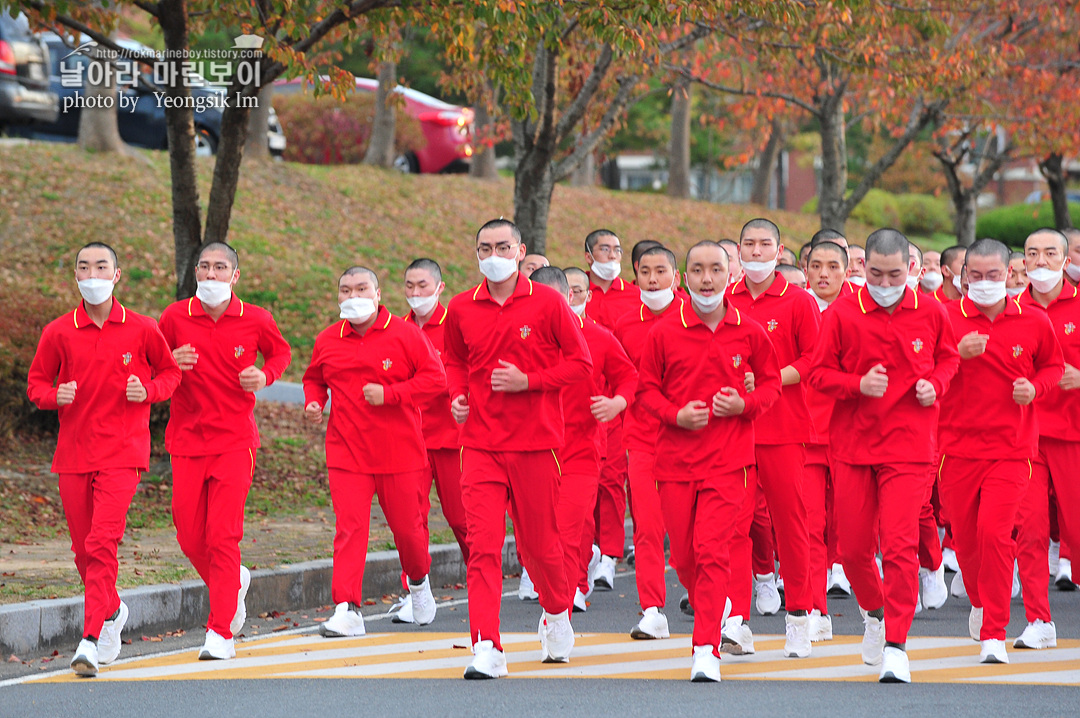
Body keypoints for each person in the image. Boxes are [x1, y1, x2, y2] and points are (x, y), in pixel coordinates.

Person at [808, 228, 960, 683]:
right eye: (876, 273)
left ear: (910, 270)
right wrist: (856, 385)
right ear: (863, 268)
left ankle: (897, 644)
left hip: (910, 446)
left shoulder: (929, 310)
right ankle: (874, 612)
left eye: (895, 274)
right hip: (853, 445)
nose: (886, 282)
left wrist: (938, 383)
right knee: (853, 550)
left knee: (897, 544)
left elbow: (949, 360)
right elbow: (817, 373)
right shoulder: (843, 312)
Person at [443, 219, 593, 678]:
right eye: (485, 247)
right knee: (483, 546)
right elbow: (452, 360)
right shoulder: (462, 307)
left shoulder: (548, 301)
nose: (493, 253)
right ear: (476, 253)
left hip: (535, 444)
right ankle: (487, 646)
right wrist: (457, 396)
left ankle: (557, 609)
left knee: (541, 547)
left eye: (502, 246)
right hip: (481, 445)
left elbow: (580, 364)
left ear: (519, 250)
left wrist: (531, 382)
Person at [27, 242, 181, 676]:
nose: (91, 273)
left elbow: (171, 373)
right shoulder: (58, 331)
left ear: (117, 275)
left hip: (122, 453)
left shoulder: (143, 328)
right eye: (83, 266)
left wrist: (147, 391)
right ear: (75, 275)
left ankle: (90, 639)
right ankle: (112, 610)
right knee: (82, 550)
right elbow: (36, 383)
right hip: (73, 454)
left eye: (101, 266)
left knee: (101, 543)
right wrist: (54, 395)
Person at [636, 240, 782, 682]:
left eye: (715, 270)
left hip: (729, 462)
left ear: (728, 275)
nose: (706, 278)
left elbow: (773, 385)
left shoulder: (750, 330)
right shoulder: (663, 331)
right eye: (697, 270)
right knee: (683, 556)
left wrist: (745, 406)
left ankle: (705, 650)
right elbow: (645, 390)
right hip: (675, 462)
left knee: (712, 551)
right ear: (685, 277)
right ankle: (712, 607)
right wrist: (674, 415)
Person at [158, 241, 292, 660]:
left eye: (220, 268)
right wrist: (169, 361)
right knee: (188, 534)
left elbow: (281, 352)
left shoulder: (255, 318)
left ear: (235, 276)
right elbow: (152, 364)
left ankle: (220, 632)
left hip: (235, 441)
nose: (211, 275)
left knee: (222, 534)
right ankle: (233, 582)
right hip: (186, 439)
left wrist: (265, 374)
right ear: (195, 273)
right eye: (204, 267)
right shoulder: (175, 316)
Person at [938, 238, 1063, 666]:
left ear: (1009, 275)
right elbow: (918, 373)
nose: (986, 283)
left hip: (1012, 450)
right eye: (977, 276)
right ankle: (981, 603)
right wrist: (956, 353)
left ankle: (994, 633)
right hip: (955, 450)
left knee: (995, 536)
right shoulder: (943, 318)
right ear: (962, 276)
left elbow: (1053, 367)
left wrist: (1036, 388)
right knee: (969, 548)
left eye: (995, 276)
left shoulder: (1032, 321)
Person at [303, 267, 446, 639]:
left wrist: (391, 394)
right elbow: (314, 378)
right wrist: (314, 403)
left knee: (409, 531)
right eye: (345, 290)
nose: (353, 296)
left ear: (378, 293)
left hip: (400, 452)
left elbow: (435, 380)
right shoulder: (327, 340)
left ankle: (418, 583)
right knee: (350, 529)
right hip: (347, 453)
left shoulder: (406, 334)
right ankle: (347, 608)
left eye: (361, 288)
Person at [725, 218, 820, 659]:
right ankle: (735, 620)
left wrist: (770, 379)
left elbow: (814, 359)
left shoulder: (798, 301)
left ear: (780, 250)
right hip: (734, 431)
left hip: (783, 430)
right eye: (749, 244)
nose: (757, 251)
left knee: (790, 525)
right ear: (739, 250)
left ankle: (800, 617)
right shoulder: (727, 297)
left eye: (765, 244)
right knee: (732, 526)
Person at [530, 266, 637, 613]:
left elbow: (628, 378)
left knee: (568, 527)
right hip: (533, 450)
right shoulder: (520, 337)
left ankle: (570, 591)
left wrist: (616, 402)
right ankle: (567, 577)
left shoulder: (599, 338)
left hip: (582, 449)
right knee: (533, 540)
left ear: (569, 298)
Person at [1012, 229, 1080, 650]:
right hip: (1026, 437)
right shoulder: (1010, 309)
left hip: (1073, 434)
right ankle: (1040, 619)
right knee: (1031, 531)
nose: (1041, 260)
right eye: (1032, 253)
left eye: (1050, 252)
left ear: (1065, 257)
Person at [613, 246, 685, 637]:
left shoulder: (695, 317)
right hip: (641, 437)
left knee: (691, 531)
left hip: (692, 439)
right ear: (635, 277)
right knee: (647, 527)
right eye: (645, 272)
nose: (653, 279)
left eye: (661, 271)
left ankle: (711, 597)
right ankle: (653, 609)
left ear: (677, 276)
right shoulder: (626, 324)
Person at [396, 258, 470, 623]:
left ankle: (481, 577)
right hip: (409, 441)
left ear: (440, 287)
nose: (414, 293)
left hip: (453, 439)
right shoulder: (396, 331)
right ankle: (417, 591)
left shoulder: (454, 324)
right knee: (410, 519)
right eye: (409, 286)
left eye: (422, 286)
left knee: (462, 519)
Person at [582, 229, 640, 589]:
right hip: (581, 401)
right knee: (585, 482)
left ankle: (609, 554)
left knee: (612, 480)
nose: (612, 256)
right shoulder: (576, 295)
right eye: (604, 249)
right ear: (589, 256)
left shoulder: (634, 297)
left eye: (617, 249)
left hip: (619, 403)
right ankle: (585, 549)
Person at [802, 240, 854, 622]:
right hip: (805, 433)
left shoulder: (861, 309)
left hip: (853, 434)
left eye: (833, 266)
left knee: (851, 528)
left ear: (847, 271)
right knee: (809, 524)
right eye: (816, 266)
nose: (824, 274)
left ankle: (875, 606)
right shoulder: (795, 307)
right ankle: (815, 608)